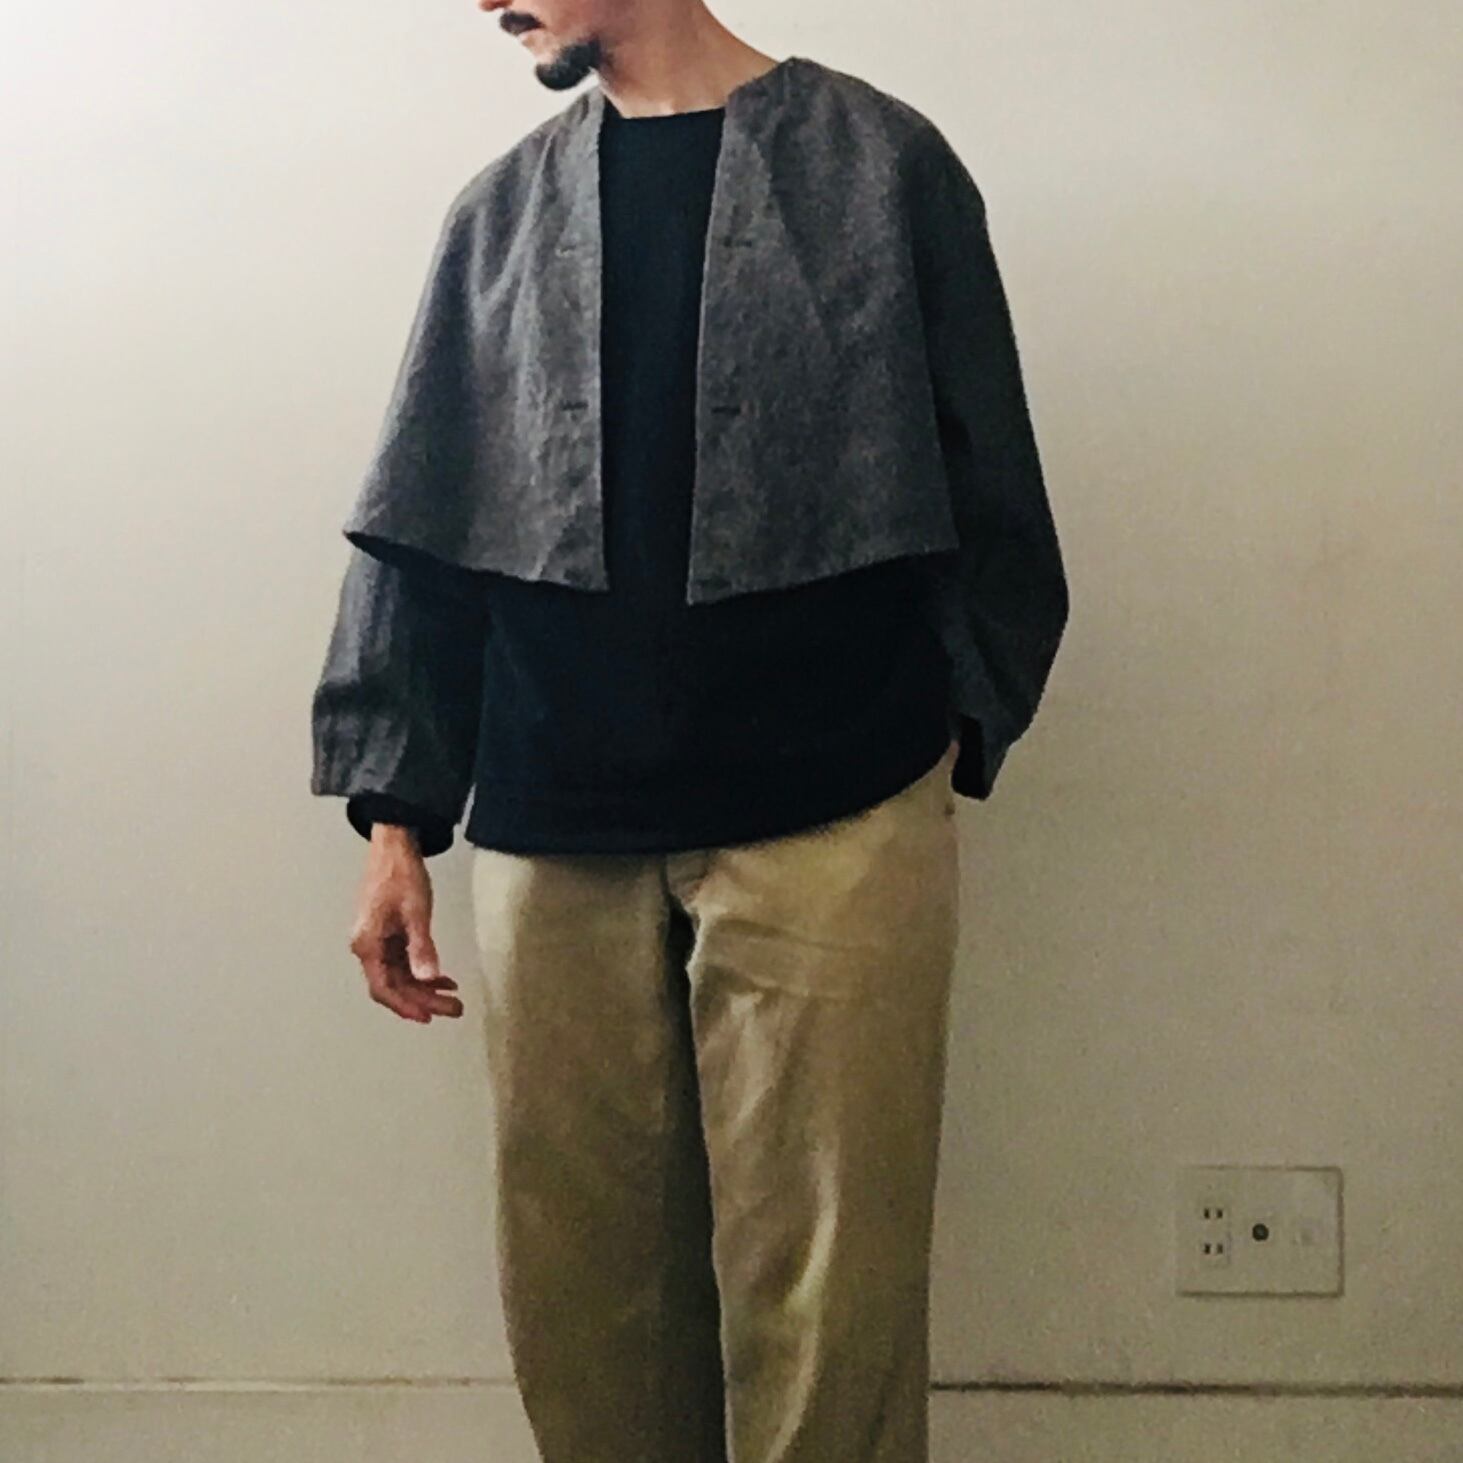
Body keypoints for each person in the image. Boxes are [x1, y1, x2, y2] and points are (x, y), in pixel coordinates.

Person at [310, 3, 1069, 1457]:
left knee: (833, 1312)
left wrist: (951, 730)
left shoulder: (883, 166)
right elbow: (422, 528)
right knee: (583, 1306)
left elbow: (992, 479)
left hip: (839, 818)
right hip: (552, 831)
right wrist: (395, 819)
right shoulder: (499, 215)